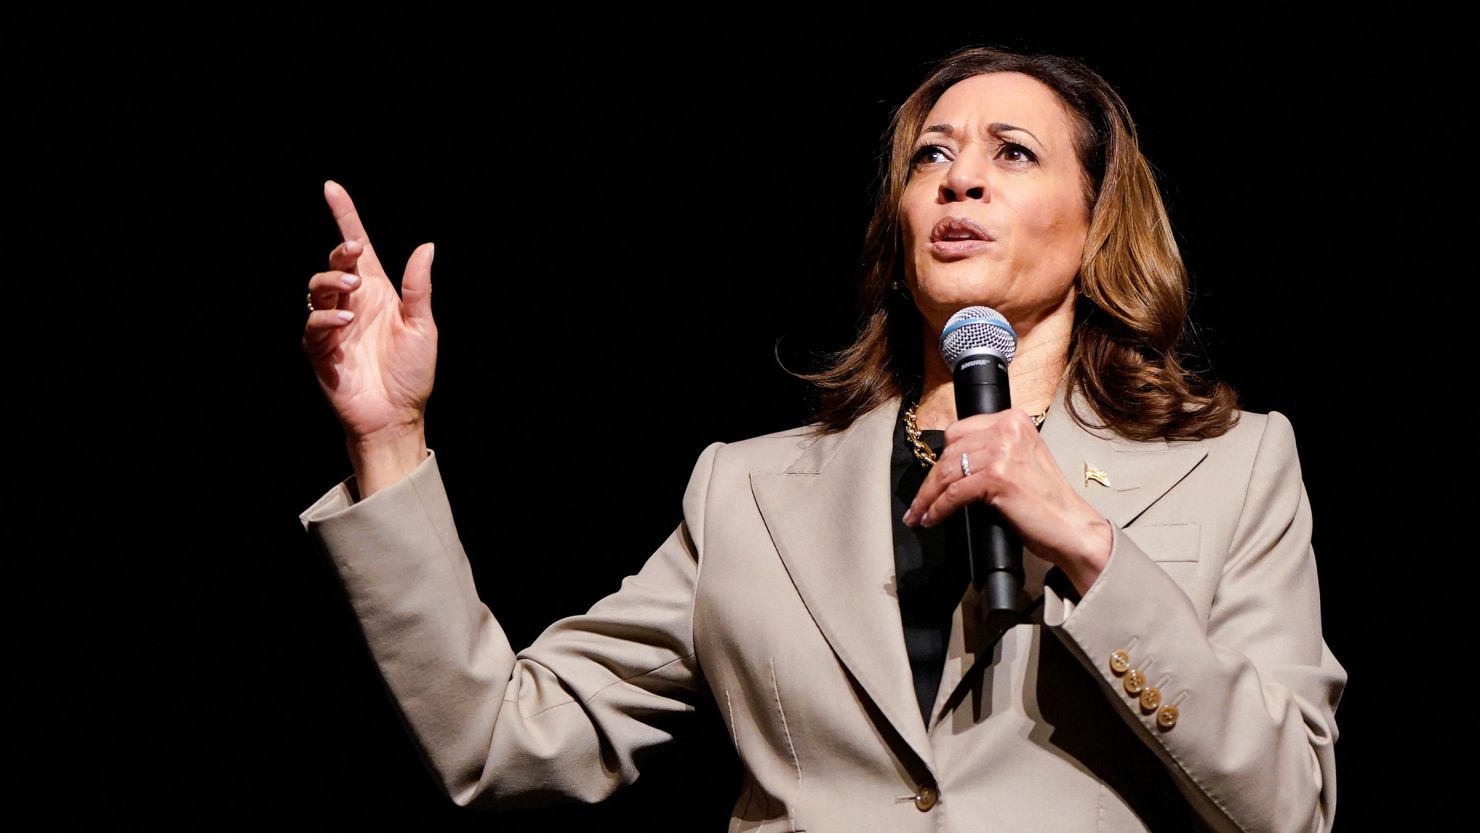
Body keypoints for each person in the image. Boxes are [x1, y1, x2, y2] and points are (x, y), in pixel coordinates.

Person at [299, 45, 1346, 832]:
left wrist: (1090, 546)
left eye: (1012, 154)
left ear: (1098, 219)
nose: (958, 179)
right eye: (930, 155)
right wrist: (390, 440)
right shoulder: (747, 490)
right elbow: (500, 737)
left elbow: (1289, 801)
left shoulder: (1233, 463)